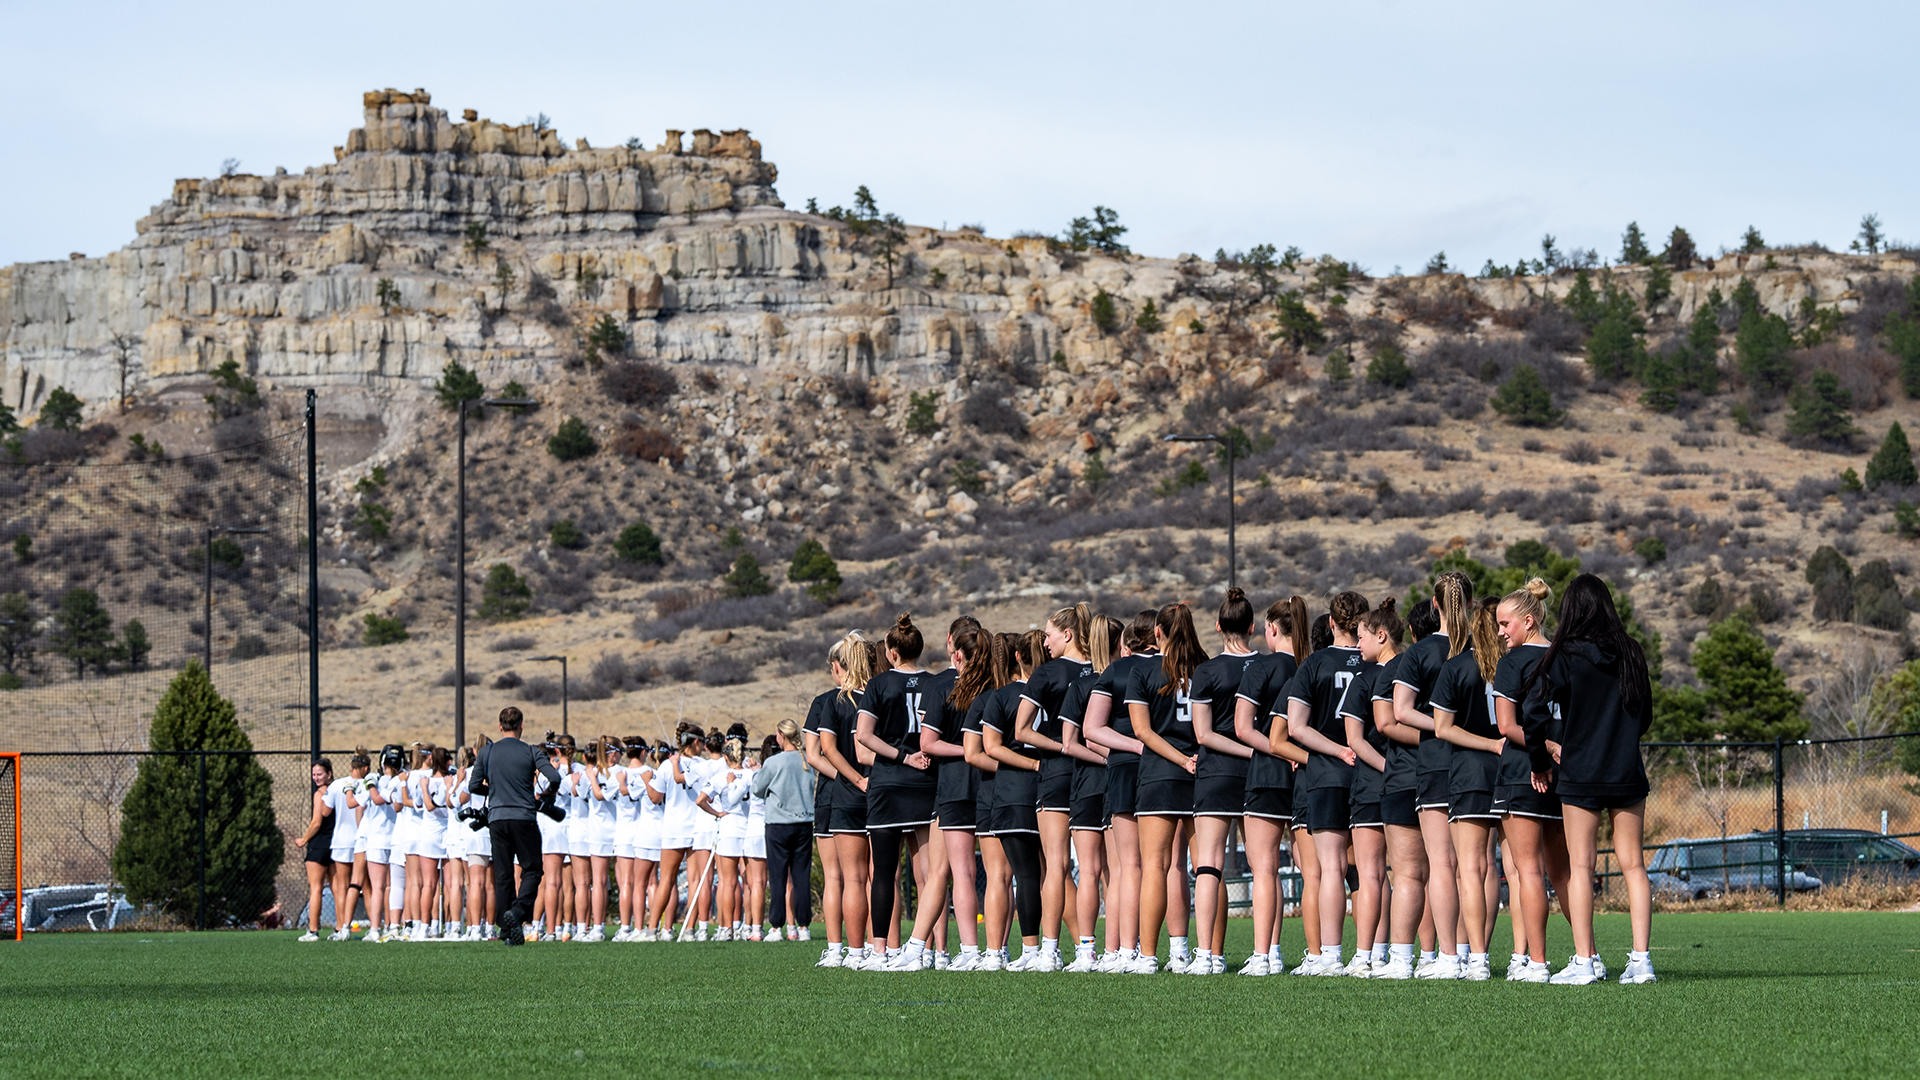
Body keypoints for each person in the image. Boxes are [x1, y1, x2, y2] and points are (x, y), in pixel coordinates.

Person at [1525, 573, 1656, 985]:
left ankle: (1585, 962)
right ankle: (1641, 961)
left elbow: (1532, 710)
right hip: (1625, 770)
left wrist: (1541, 755)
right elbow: (1646, 715)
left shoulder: (1564, 653)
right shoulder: (1632, 651)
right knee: (1633, 865)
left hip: (1580, 771)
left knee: (1579, 866)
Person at [1287, 591, 1373, 976]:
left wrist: (1338, 751)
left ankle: (1330, 956)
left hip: (1327, 774)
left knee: (1330, 869)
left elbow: (1296, 727)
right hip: (1372, 772)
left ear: (1332, 622)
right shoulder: (1377, 664)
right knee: (1373, 870)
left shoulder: (1315, 663)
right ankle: (1376, 953)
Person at [1012, 604, 1099, 972]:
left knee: (1056, 867)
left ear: (1068, 634)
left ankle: (1049, 951)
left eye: (1049, 634)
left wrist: (1062, 745)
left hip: (1057, 773)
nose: (1044, 642)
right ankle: (1100, 949)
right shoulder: (1101, 670)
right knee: (1101, 868)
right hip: (1096, 773)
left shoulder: (1048, 672)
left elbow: (1021, 731)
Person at [1492, 578, 1570, 983]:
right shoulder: (1567, 656)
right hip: (1567, 778)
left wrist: (1548, 748)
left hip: (1524, 772)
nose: (1501, 633)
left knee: (1527, 871)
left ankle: (1536, 963)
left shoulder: (1513, 662)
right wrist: (1560, 749)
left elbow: (1507, 725)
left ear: (1528, 620)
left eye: (1505, 624)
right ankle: (1585, 957)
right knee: (1566, 872)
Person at [855, 613, 943, 971]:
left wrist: (902, 756)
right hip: (926, 783)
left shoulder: (878, 686)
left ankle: (880, 951)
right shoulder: (937, 684)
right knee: (930, 874)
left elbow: (864, 736)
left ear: (891, 653)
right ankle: (933, 950)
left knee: (885, 872)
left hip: (889, 785)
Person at [1125, 603, 1206, 975]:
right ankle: (1200, 954)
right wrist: (1190, 760)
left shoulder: (1142, 669)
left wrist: (1177, 760)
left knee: (1154, 866)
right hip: (1201, 772)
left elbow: (1143, 732)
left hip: (1160, 773)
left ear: (1157, 633)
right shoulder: (1205, 667)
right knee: (1204, 868)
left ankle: (1148, 956)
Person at [1396, 572, 1470, 978]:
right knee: (1476, 867)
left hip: (1437, 763)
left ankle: (1448, 958)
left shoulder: (1421, 652)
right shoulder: (1481, 650)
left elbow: (1401, 711)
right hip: (1477, 766)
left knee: (1442, 865)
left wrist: (1439, 721)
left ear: (1435, 606)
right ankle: (1475, 955)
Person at [1186, 588, 1260, 976]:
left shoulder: (1208, 671)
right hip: (1259, 775)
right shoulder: (1267, 667)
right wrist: (1256, 753)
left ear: (1217, 627)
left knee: (1209, 866)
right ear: (1252, 626)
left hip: (1216, 773)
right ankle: (1266, 953)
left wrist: (1239, 749)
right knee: (1263, 868)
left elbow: (1203, 734)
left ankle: (1207, 956)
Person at [1432, 595, 1506, 982]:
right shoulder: (1515, 665)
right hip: (1513, 770)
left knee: (1472, 869)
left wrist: (1489, 743)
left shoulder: (1458, 666)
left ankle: (1476, 959)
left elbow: (1443, 728)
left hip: (1472, 774)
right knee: (1515, 868)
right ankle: (1525, 958)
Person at [1233, 596, 1308, 975]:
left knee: (1264, 867)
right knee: (1310, 869)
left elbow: (1243, 727)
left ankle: (1264, 955)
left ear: (1273, 629)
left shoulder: (1262, 666)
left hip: (1268, 773)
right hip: (1307, 775)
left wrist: (1282, 751)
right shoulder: (1311, 665)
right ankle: (1301, 953)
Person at [1083, 610, 1159, 972]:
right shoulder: (1181, 667)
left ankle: (1126, 950)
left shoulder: (1116, 671)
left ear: (1130, 642)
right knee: (1167, 866)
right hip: (1169, 770)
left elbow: (1092, 729)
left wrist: (1132, 746)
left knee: (1129, 866)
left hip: (1128, 771)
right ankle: (1172, 949)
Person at [923, 625, 992, 969]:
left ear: (957, 653)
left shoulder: (943, 689)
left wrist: (966, 750)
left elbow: (927, 743)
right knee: (999, 874)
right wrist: (973, 749)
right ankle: (1001, 951)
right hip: (994, 781)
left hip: (956, 786)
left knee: (962, 872)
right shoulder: (997, 687)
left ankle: (970, 951)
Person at [1058, 615, 1122, 971]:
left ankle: (1091, 950)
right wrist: (1111, 755)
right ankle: (1114, 949)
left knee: (1091, 871)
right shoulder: (1126, 680)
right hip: (1111, 784)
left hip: (1087, 786)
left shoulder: (1082, 686)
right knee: (1115, 871)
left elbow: (1070, 742)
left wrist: (1102, 755)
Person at [1342, 598, 1401, 977]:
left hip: (1373, 784)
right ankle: (1411, 953)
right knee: (1414, 875)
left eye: (1361, 637)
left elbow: (1355, 739)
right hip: (1408, 781)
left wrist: (1386, 769)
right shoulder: (1414, 668)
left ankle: (1366, 955)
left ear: (1381, 635)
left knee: (1371, 875)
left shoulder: (1367, 678)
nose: (1357, 645)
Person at [982, 629, 1046, 969]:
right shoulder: (1058, 692)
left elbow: (991, 747)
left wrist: (1032, 763)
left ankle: (1030, 950)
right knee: (1054, 873)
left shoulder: (1004, 696)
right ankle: (1078, 946)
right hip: (1054, 789)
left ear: (1018, 658)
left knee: (1024, 875)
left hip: (1013, 792)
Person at [470, 706, 562, 946]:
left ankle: (507, 929)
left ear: (500, 727)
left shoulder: (486, 752)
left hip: (497, 818)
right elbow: (554, 778)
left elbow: (473, 786)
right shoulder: (531, 751)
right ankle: (518, 913)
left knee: (503, 874)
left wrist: (494, 789)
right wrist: (544, 795)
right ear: (521, 725)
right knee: (532, 870)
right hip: (524, 816)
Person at [816, 632, 877, 966]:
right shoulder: (881, 695)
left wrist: (855, 779)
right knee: (881, 876)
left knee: (852, 878)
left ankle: (853, 952)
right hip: (883, 792)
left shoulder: (836, 701)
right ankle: (882, 949)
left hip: (850, 795)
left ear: (839, 667)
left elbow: (826, 749)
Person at [962, 632, 1019, 971]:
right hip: (1030, 793)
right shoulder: (1036, 694)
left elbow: (973, 753)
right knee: (1031, 874)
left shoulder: (989, 700)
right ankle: (1030, 950)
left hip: (995, 795)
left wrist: (1008, 768)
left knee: (998, 875)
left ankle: (996, 952)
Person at [755, 719, 816, 942]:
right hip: (803, 823)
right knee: (801, 876)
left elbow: (757, 789)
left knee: (778, 877)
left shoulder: (773, 762)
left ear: (781, 735)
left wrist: (756, 772)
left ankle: (776, 927)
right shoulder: (807, 760)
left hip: (778, 825)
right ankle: (803, 926)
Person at [802, 657, 846, 963]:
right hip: (870, 789)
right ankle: (874, 947)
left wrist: (846, 778)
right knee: (871, 876)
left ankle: (834, 949)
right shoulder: (876, 694)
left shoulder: (824, 701)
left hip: (834, 795)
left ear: (836, 666)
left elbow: (814, 756)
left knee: (835, 877)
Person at [295, 759, 341, 942]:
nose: (316, 778)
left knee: (316, 888)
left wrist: (304, 839)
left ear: (329, 774)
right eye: (314, 774)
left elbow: (316, 822)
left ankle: (313, 930)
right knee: (338, 888)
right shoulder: (339, 791)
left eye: (319, 774)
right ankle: (340, 928)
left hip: (320, 843)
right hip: (336, 843)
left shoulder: (319, 794)